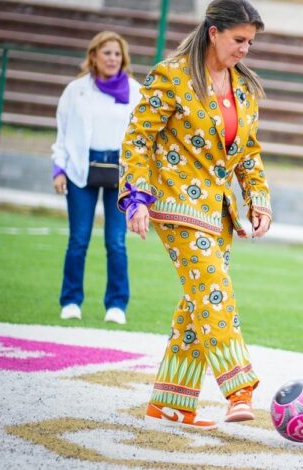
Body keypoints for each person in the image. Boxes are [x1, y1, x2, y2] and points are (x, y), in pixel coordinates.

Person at [119, 0, 271, 430]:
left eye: (250, 43)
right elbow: (138, 137)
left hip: (219, 212)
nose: (245, 49)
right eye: (239, 40)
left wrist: (258, 198)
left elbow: (248, 152)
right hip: (174, 203)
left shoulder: (243, 88)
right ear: (213, 33)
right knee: (213, 292)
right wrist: (136, 195)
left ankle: (172, 401)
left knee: (197, 300)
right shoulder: (172, 76)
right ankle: (238, 385)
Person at [51, 31, 141, 325]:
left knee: (116, 241)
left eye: (117, 54)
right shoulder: (75, 90)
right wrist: (59, 168)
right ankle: (71, 300)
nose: (112, 59)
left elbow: (142, 138)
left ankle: (117, 305)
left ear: (123, 58)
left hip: (120, 172)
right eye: (107, 53)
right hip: (81, 169)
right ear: (94, 56)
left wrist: (139, 180)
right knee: (78, 239)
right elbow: (63, 133)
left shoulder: (135, 91)